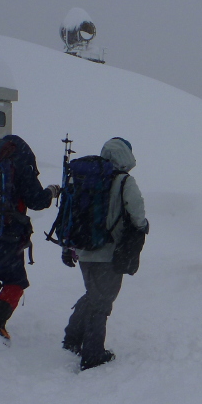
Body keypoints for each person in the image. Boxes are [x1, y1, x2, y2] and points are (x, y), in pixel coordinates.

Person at [62, 137, 148, 370]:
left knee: (94, 294)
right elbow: (137, 213)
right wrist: (142, 227)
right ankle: (92, 354)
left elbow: (69, 210)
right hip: (109, 252)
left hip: (84, 249)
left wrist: (68, 246)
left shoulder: (85, 178)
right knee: (101, 302)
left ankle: (72, 337)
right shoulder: (124, 181)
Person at [0, 135, 60, 348]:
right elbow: (36, 200)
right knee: (16, 282)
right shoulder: (19, 159)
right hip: (6, 233)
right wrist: (51, 192)